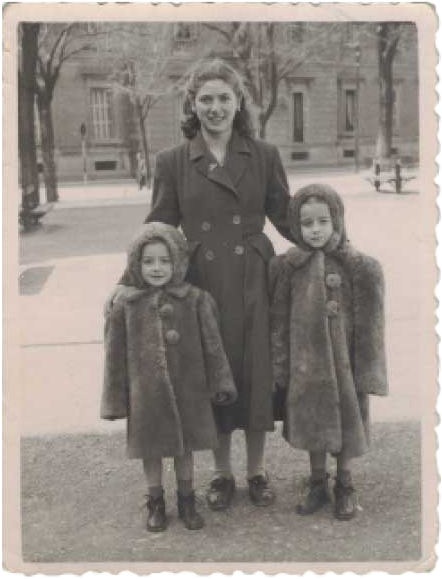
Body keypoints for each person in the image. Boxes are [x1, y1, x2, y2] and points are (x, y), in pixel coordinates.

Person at [106, 59, 294, 510]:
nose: (215, 108)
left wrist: (335, 245)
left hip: (253, 276)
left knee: (255, 373)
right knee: (215, 370)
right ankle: (222, 474)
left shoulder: (264, 154)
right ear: (192, 104)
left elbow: (285, 215)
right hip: (202, 282)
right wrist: (126, 281)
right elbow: (158, 226)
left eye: (224, 98)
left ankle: (257, 471)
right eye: (206, 99)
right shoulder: (173, 161)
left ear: (238, 102)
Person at [101, 222, 237, 532]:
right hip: (146, 397)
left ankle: (187, 500)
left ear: (177, 262)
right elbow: (114, 359)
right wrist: (115, 400)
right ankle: (155, 501)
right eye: (148, 261)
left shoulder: (195, 300)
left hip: (188, 392)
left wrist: (220, 382)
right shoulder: (127, 305)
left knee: (185, 448)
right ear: (136, 264)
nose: (157, 268)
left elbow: (213, 347)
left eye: (165, 260)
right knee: (150, 449)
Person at [269, 184, 388, 520]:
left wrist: (369, 371)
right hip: (305, 367)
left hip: (345, 366)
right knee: (312, 422)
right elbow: (278, 322)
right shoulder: (287, 268)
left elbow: (371, 325)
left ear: (337, 220)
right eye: (307, 223)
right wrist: (280, 367)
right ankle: (317, 481)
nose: (316, 229)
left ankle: (345, 483)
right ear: (296, 226)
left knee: (348, 423)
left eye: (323, 221)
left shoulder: (358, 266)